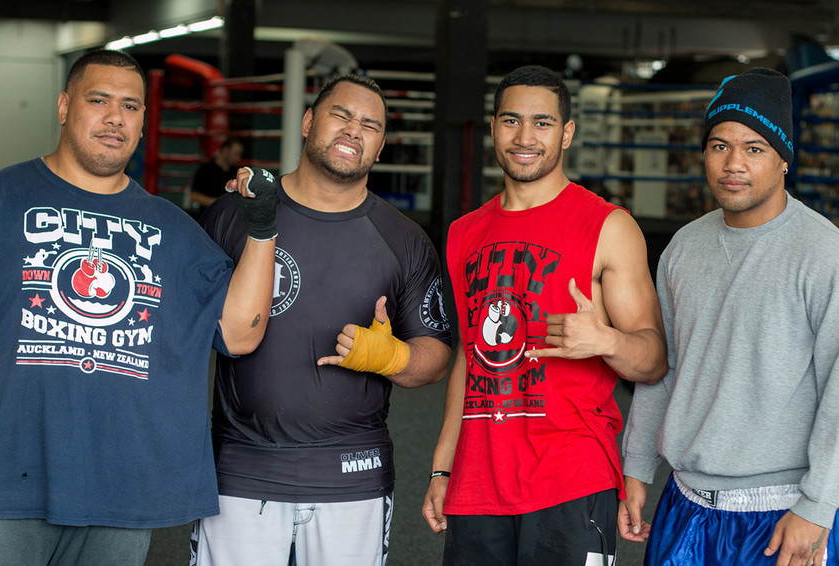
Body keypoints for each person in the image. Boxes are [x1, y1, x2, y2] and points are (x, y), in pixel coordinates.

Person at [0, 49, 279, 566]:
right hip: (4, 481)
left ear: (144, 121)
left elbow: (239, 333)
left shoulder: (170, 227)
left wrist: (261, 228)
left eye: (130, 106)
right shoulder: (0, 198)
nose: (114, 117)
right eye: (98, 100)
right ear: (63, 106)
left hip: (121, 489)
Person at [192, 74, 453, 566]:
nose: (354, 131)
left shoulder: (405, 240)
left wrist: (392, 356)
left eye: (370, 125)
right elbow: (184, 334)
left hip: (353, 475)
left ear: (380, 146)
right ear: (309, 122)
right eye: (342, 115)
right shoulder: (235, 214)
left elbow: (436, 357)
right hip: (241, 471)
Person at [422, 65, 667, 566]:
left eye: (543, 122)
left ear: (567, 132)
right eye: (511, 120)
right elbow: (470, 357)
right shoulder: (464, 233)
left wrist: (606, 342)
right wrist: (443, 469)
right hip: (479, 478)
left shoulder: (609, 226)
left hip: (570, 478)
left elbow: (655, 359)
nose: (525, 137)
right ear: (493, 128)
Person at [619, 67, 839, 566]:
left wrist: (818, 506)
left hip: (783, 514)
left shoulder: (824, 253)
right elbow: (664, 367)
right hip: (686, 505)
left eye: (754, 148)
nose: (733, 164)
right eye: (719, 146)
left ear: (784, 159)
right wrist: (636, 466)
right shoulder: (682, 247)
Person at [189, 138, 244, 214]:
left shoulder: (236, 172)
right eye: (236, 153)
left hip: (229, 215)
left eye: (239, 154)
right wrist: (220, 203)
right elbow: (194, 196)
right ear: (225, 150)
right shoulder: (206, 170)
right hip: (209, 215)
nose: (238, 158)